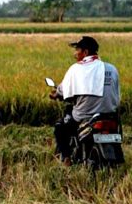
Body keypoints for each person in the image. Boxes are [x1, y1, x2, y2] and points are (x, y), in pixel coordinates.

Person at [49, 36, 120, 166]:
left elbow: (63, 90)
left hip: (85, 116)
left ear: (85, 52)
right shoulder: (112, 69)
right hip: (109, 115)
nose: (75, 53)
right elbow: (116, 93)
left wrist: (56, 94)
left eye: (77, 50)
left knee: (60, 128)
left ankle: (66, 159)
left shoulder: (76, 69)